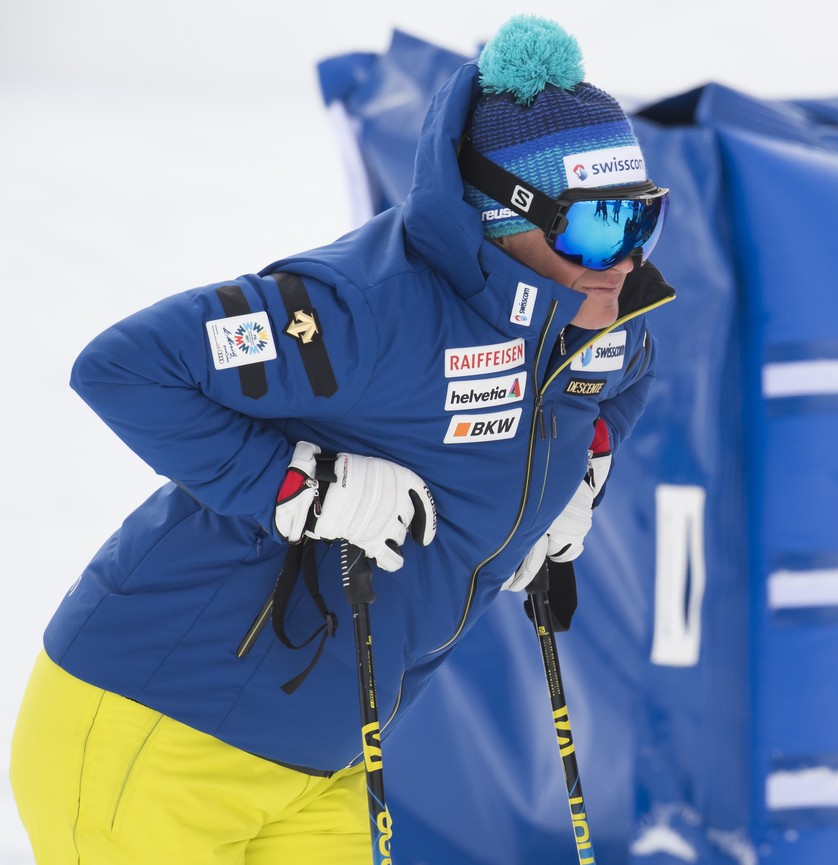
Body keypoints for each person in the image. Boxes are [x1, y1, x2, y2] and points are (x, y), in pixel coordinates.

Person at [9, 14, 674, 864]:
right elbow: (124, 367)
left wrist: (581, 472)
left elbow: (623, 377)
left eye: (640, 220)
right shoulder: (364, 310)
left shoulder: (594, 320)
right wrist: (300, 484)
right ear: (503, 217)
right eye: (595, 224)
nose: (623, 258)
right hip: (155, 735)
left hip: (325, 755)